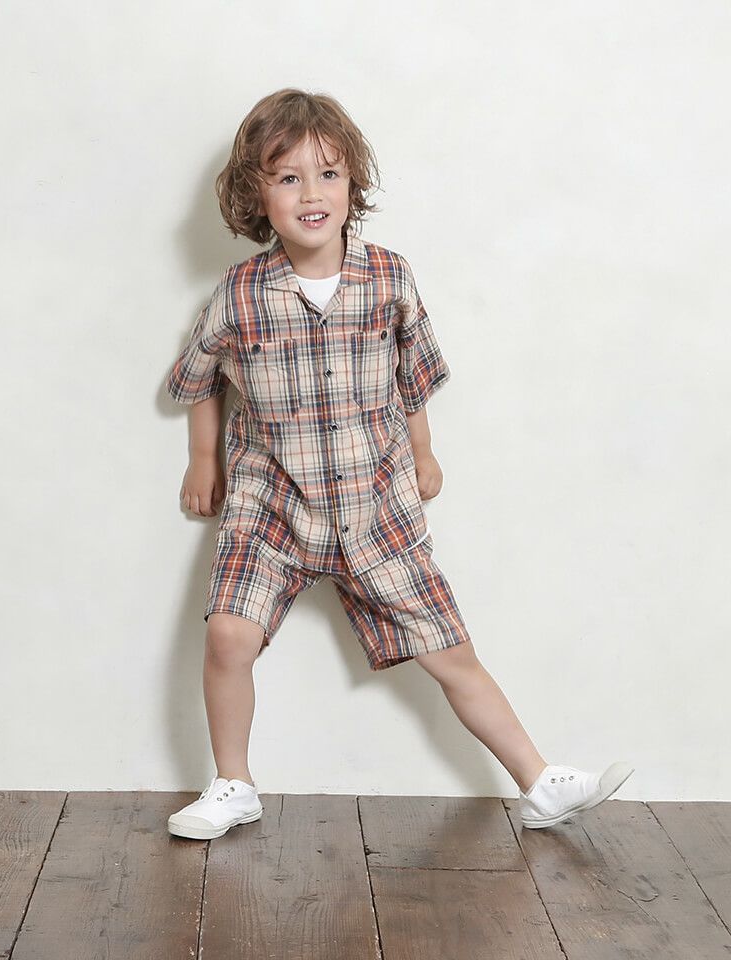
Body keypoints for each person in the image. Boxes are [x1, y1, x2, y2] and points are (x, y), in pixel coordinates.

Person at [164, 88, 633, 840]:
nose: (311, 195)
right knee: (227, 636)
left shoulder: (389, 278)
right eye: (288, 178)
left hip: (375, 500)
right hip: (271, 502)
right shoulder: (241, 294)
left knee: (449, 648)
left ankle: (540, 780)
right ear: (257, 193)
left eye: (328, 175)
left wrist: (423, 451)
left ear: (353, 185)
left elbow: (411, 377)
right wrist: (202, 460)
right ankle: (232, 783)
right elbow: (200, 379)